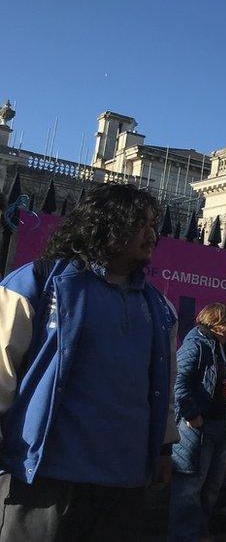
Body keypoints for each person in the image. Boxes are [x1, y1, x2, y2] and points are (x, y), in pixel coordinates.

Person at [0, 183, 178, 540]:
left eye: (153, 225)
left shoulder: (160, 308)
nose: (151, 235)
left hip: (124, 480)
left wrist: (163, 448)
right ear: (105, 224)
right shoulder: (38, 283)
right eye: (139, 224)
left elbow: (163, 386)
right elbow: (2, 366)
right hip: (46, 475)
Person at [169, 303, 226, 541]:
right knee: (189, 487)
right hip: (198, 428)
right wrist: (190, 414)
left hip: (221, 425)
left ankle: (199, 532)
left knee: (212, 487)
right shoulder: (195, 344)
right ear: (218, 322)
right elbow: (178, 381)